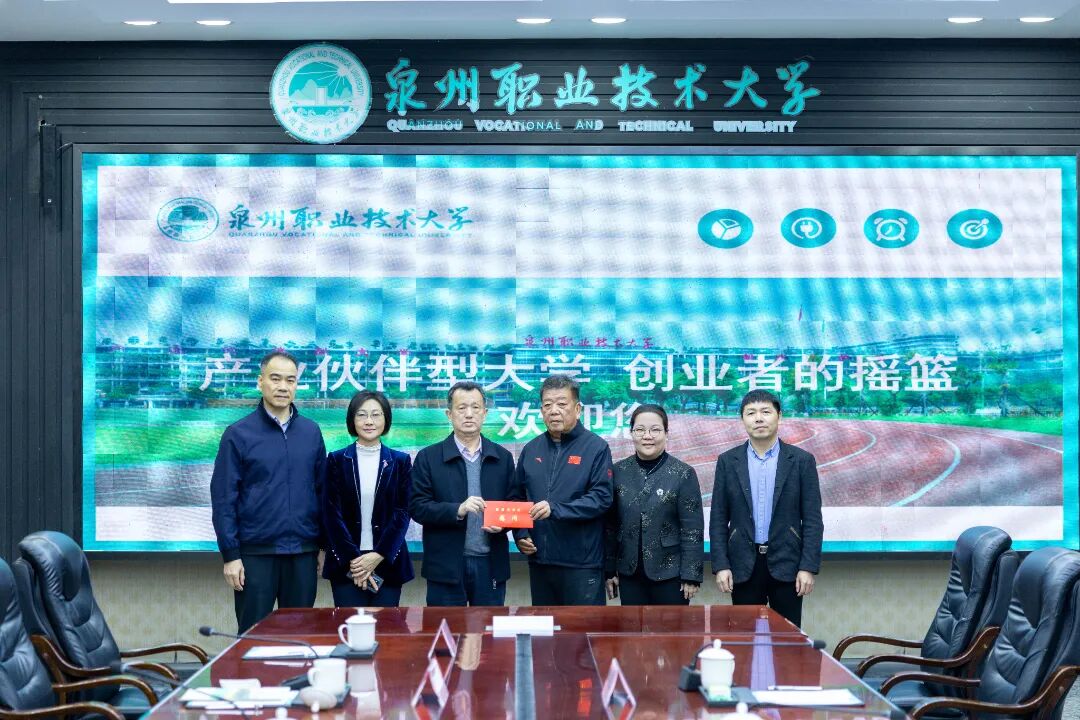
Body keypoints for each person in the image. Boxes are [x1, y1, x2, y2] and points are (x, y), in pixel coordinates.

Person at [210, 351, 327, 633]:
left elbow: (322, 492)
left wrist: (323, 545)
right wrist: (231, 555)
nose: (283, 386)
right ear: (260, 381)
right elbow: (224, 499)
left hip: (302, 552)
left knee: (299, 637)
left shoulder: (311, 432)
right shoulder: (238, 434)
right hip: (255, 554)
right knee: (253, 637)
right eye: (275, 379)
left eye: (290, 380)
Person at [709, 389, 823, 627]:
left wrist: (807, 567)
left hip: (788, 565)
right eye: (751, 413)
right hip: (743, 565)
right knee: (746, 637)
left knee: (787, 639)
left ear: (779, 416)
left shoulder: (801, 461)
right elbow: (718, 518)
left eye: (765, 412)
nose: (758, 418)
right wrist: (721, 565)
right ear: (743, 419)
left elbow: (812, 520)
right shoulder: (728, 461)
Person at [410, 381, 516, 606]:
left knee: (489, 627)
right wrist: (457, 509)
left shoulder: (503, 458)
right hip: (445, 566)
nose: (469, 414)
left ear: (485, 413)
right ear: (449, 414)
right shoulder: (428, 458)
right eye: (461, 408)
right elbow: (417, 507)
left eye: (475, 407)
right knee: (445, 627)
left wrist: (503, 524)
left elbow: (514, 502)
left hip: (490, 564)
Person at [514, 375, 613, 606]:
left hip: (582, 564)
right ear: (541, 411)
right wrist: (520, 534)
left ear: (577, 409)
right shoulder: (531, 449)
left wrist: (556, 509)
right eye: (547, 405)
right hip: (540, 562)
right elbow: (517, 497)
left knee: (583, 628)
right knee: (545, 628)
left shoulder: (596, 447)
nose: (554, 411)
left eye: (561, 404)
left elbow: (601, 498)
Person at [604, 404, 704, 605]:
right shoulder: (618, 471)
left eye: (655, 430)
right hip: (629, 572)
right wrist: (609, 570)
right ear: (631, 433)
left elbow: (692, 529)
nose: (647, 436)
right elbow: (610, 526)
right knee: (632, 625)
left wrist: (691, 575)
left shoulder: (683, 473)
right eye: (640, 430)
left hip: (671, 574)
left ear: (666, 433)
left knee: (671, 626)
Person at [321, 390, 413, 607]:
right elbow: (330, 513)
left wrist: (379, 554)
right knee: (350, 624)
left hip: (387, 560)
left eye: (376, 414)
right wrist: (355, 562)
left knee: (386, 626)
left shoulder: (400, 461)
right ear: (352, 420)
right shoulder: (336, 460)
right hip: (347, 563)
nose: (369, 421)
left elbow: (403, 511)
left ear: (385, 419)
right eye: (361, 415)